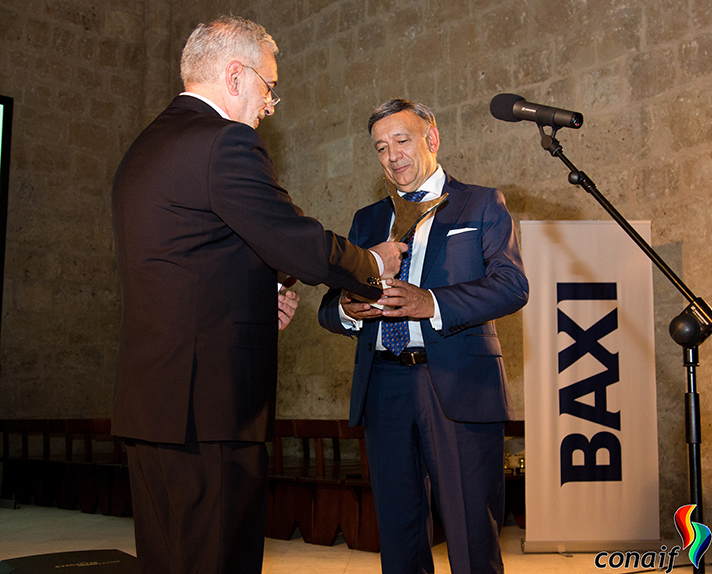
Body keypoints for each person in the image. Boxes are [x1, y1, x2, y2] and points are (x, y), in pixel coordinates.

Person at [110, 16, 405, 574]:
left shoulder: (144, 148)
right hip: (211, 409)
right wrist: (372, 263)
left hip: (153, 404)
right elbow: (294, 241)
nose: (270, 106)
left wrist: (255, 294)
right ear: (236, 75)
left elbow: (186, 260)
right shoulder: (225, 142)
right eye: (270, 88)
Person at [318, 99, 529, 574]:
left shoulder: (481, 203)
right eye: (380, 148)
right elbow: (328, 309)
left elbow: (512, 286)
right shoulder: (368, 220)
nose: (392, 156)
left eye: (402, 140)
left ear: (431, 139)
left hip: (456, 384)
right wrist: (350, 311)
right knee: (399, 536)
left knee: (472, 535)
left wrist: (430, 302)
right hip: (383, 390)